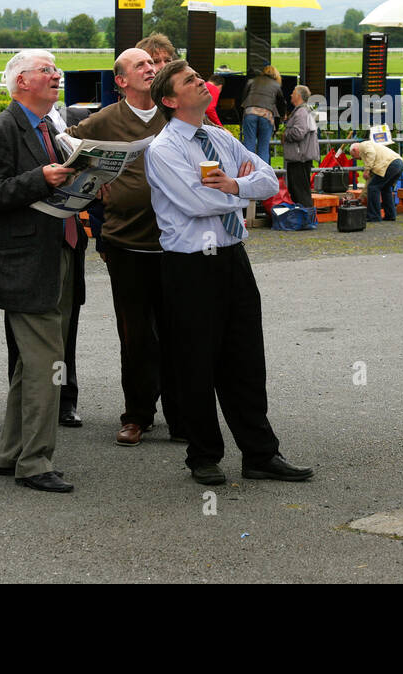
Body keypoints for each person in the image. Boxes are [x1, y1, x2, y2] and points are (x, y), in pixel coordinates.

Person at [146, 60, 312, 486]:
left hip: (233, 257)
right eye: (190, 81)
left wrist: (234, 186)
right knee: (196, 363)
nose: (202, 82)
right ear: (170, 100)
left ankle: (260, 454)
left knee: (246, 360)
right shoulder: (164, 149)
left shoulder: (220, 136)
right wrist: (237, 194)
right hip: (190, 267)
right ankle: (203, 456)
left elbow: (269, 182)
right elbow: (196, 203)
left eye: (199, 77)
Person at [0, 50, 85, 493]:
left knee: (31, 363)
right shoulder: (4, 127)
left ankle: (12, 452)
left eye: (56, 70)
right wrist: (43, 177)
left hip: (58, 251)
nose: (56, 76)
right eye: (46, 71)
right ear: (20, 82)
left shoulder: (51, 126)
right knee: (46, 362)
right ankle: (35, 463)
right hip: (25, 262)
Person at [67, 47, 183, 447]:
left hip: (177, 243)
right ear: (121, 81)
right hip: (126, 244)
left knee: (177, 330)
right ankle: (137, 415)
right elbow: (67, 149)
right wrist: (96, 187)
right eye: (140, 66)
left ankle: (182, 415)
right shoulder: (103, 120)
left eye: (153, 64)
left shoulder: (176, 113)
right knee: (135, 335)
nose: (150, 69)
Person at [281, 84, 318, 207]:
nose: (291, 94)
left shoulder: (301, 112)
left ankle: (306, 218)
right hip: (300, 157)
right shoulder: (304, 111)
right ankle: (305, 218)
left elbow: (298, 133)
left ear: (298, 96)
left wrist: (285, 135)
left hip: (299, 158)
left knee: (300, 192)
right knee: (299, 190)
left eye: (293, 92)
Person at [349, 138, 403, 221]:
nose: (356, 159)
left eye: (353, 156)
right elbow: (370, 180)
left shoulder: (364, 145)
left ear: (355, 149)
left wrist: (367, 169)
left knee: (373, 188)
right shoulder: (373, 158)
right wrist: (362, 196)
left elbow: (371, 153)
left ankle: (374, 216)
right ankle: (390, 215)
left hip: (390, 165)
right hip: (399, 164)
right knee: (385, 188)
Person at [240, 64, 285, 163]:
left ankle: (248, 174)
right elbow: (281, 104)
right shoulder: (276, 85)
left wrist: (241, 117)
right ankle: (263, 174)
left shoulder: (252, 81)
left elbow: (243, 99)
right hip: (266, 115)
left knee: (249, 146)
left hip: (250, 113)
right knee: (263, 148)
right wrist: (281, 118)